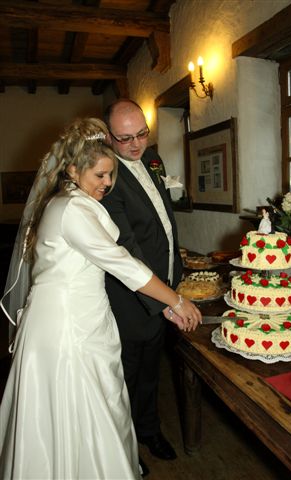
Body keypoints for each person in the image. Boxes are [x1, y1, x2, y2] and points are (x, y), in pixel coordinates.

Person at [0, 118, 201, 480]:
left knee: (102, 406)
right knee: (76, 413)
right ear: (74, 169)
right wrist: (176, 301)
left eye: (111, 175)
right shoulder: (72, 209)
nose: (107, 183)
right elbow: (121, 262)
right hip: (66, 329)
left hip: (85, 314)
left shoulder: (72, 200)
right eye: (100, 175)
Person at [101, 99, 184, 468]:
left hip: (165, 287)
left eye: (141, 134)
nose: (135, 145)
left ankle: (150, 430)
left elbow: (164, 225)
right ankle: (127, 447)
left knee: (152, 371)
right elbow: (127, 247)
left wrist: (176, 280)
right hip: (132, 299)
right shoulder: (106, 177)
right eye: (124, 139)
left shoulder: (153, 162)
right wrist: (165, 299)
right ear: (107, 136)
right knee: (126, 379)